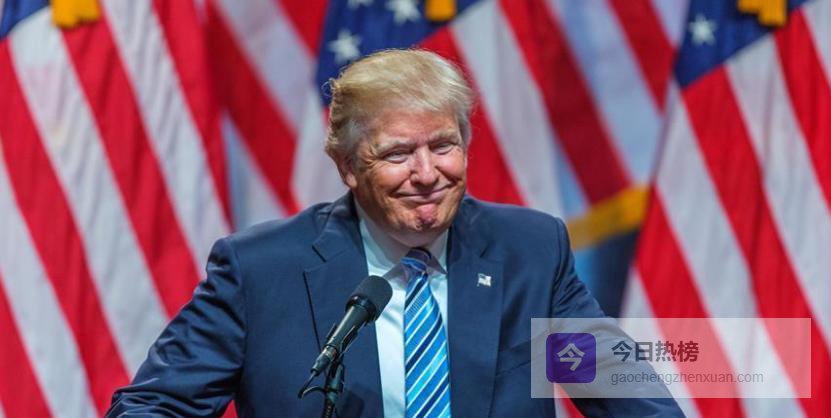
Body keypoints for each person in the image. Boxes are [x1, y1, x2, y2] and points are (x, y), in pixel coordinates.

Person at [106, 49, 682, 417]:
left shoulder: (529, 251)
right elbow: (152, 407)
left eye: (444, 146)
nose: (427, 174)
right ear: (348, 167)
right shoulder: (259, 271)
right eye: (398, 154)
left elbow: (628, 395)